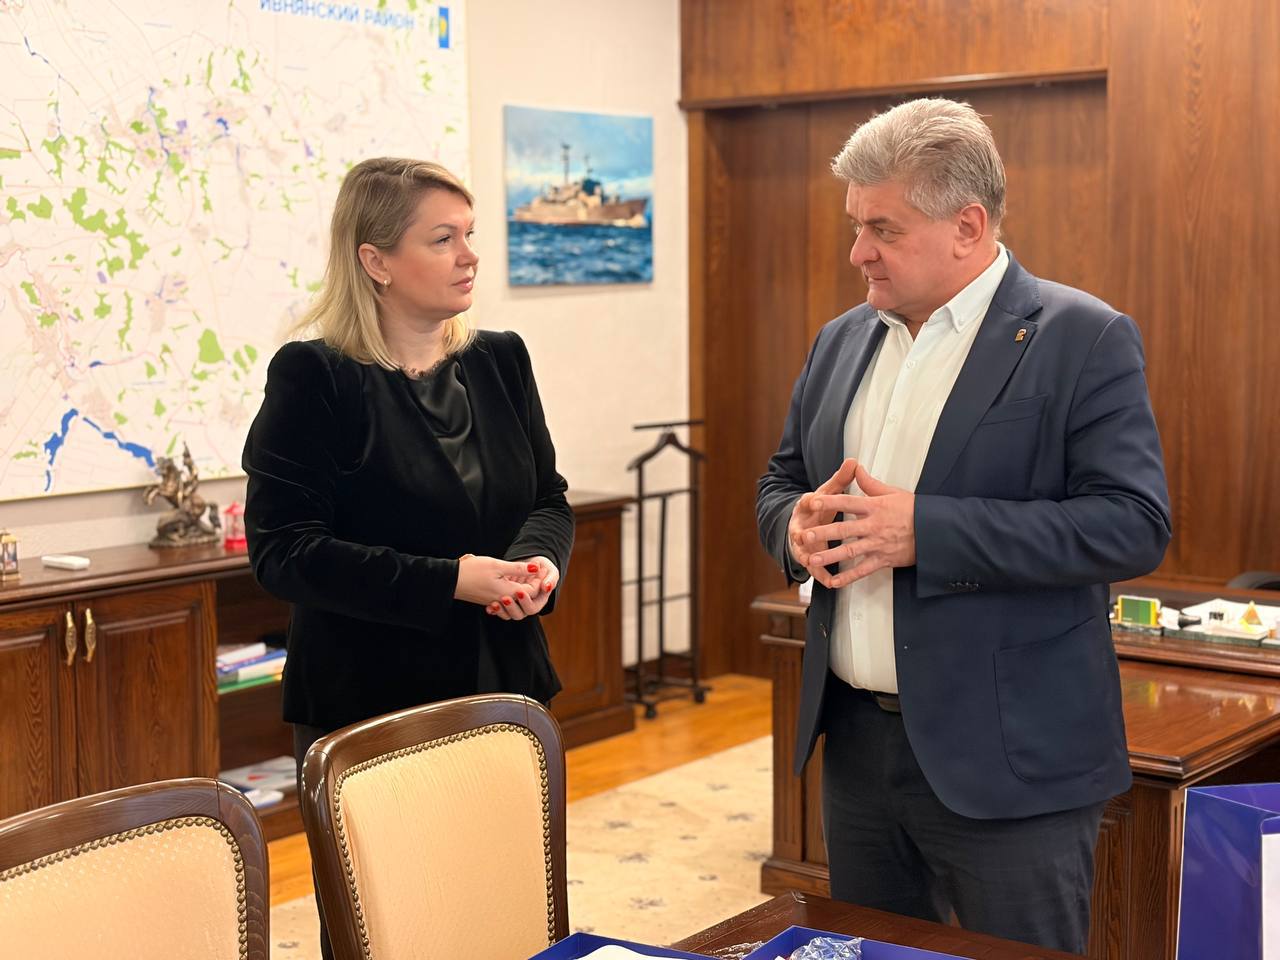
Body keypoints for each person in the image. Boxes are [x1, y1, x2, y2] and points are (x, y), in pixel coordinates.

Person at [755, 99, 1171, 953]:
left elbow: (1131, 524)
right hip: (856, 748)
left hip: (1012, 761)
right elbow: (781, 481)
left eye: (883, 229)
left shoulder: (1082, 337)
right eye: (856, 225)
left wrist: (927, 532)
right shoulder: (839, 341)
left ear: (967, 226)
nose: (858, 251)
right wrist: (792, 527)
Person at [242, 157, 573, 959]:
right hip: (369, 701)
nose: (470, 256)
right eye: (443, 238)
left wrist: (538, 565)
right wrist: (451, 581)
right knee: (392, 926)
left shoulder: (501, 358)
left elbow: (547, 499)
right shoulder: (315, 376)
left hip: (503, 688)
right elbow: (284, 552)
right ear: (376, 260)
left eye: (470, 235)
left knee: (504, 912)